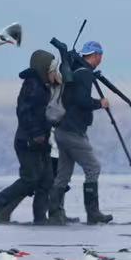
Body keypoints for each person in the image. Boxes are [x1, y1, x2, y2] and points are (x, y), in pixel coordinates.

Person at [0, 49, 59, 225]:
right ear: (43, 68)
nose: (53, 73)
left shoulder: (43, 84)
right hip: (28, 141)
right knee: (30, 179)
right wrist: (36, 133)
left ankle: (40, 218)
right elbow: (24, 112)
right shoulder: (33, 84)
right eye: (51, 70)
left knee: (46, 180)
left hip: (42, 141)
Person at [48, 38, 114, 225]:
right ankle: (93, 214)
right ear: (96, 56)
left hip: (62, 131)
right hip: (73, 132)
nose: (101, 59)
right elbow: (81, 100)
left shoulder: (75, 70)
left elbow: (74, 98)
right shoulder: (84, 74)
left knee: (63, 174)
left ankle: (54, 214)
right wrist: (99, 103)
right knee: (93, 168)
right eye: (100, 56)